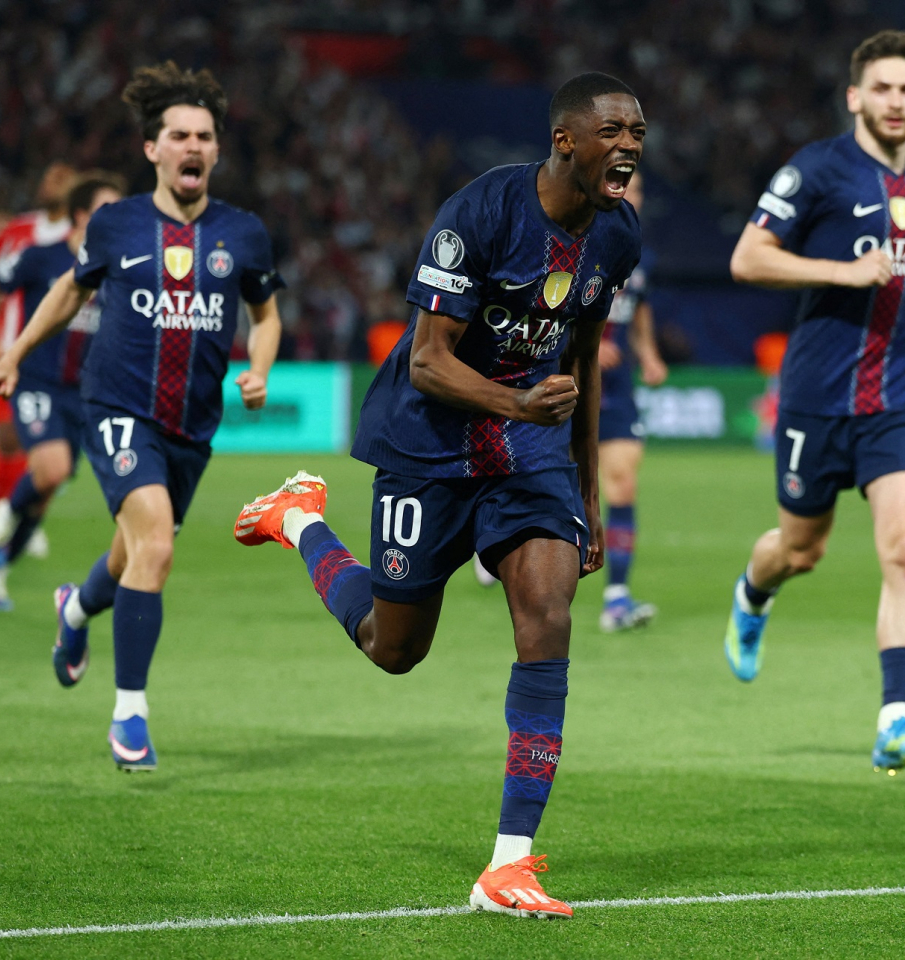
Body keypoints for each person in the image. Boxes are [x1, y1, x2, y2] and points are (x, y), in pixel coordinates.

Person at [233, 72, 644, 919]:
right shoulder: (482, 212)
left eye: (638, 130)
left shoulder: (617, 237)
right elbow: (428, 360)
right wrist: (516, 402)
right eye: (613, 130)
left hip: (530, 453)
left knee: (549, 614)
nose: (631, 144)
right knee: (394, 646)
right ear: (566, 139)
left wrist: (589, 497)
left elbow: (582, 362)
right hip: (429, 442)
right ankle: (300, 521)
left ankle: (509, 863)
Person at [0, 61, 284, 768]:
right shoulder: (118, 224)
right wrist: (16, 351)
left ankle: (73, 609)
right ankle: (130, 715)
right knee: (155, 545)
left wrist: (260, 367)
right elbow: (68, 289)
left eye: (205, 135)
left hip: (192, 424)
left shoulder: (242, 233)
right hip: (118, 405)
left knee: (133, 553)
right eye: (178, 134)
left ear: (216, 150)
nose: (193, 145)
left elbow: (265, 312)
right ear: (152, 148)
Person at [724, 30, 905, 773]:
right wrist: (840, 270)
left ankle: (897, 716)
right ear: (856, 97)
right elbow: (747, 257)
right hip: (819, 396)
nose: (895, 102)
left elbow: (903, 266)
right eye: (882, 89)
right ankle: (752, 593)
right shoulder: (817, 168)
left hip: (904, 396)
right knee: (801, 550)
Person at [0, 172, 126, 610]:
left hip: (83, 394)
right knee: (50, 469)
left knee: (48, 488)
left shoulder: (117, 270)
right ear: (82, 215)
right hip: (36, 380)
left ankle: (0, 568)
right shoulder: (41, 257)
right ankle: (4, 514)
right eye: (108, 208)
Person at [596, 170, 667, 631]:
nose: (632, 196)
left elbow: (638, 307)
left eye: (639, 189)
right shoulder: (572, 240)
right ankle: (490, 548)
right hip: (562, 381)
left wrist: (648, 353)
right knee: (540, 487)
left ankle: (617, 598)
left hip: (616, 386)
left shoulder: (639, 254)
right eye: (625, 187)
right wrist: (583, 345)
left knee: (622, 483)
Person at [0, 162, 76, 538]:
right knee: (10, 437)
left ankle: (21, 511)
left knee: (52, 457)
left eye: (61, 177)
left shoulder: (82, 239)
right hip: (14, 353)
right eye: (47, 175)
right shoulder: (20, 230)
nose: (50, 181)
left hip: (68, 367)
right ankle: (5, 512)